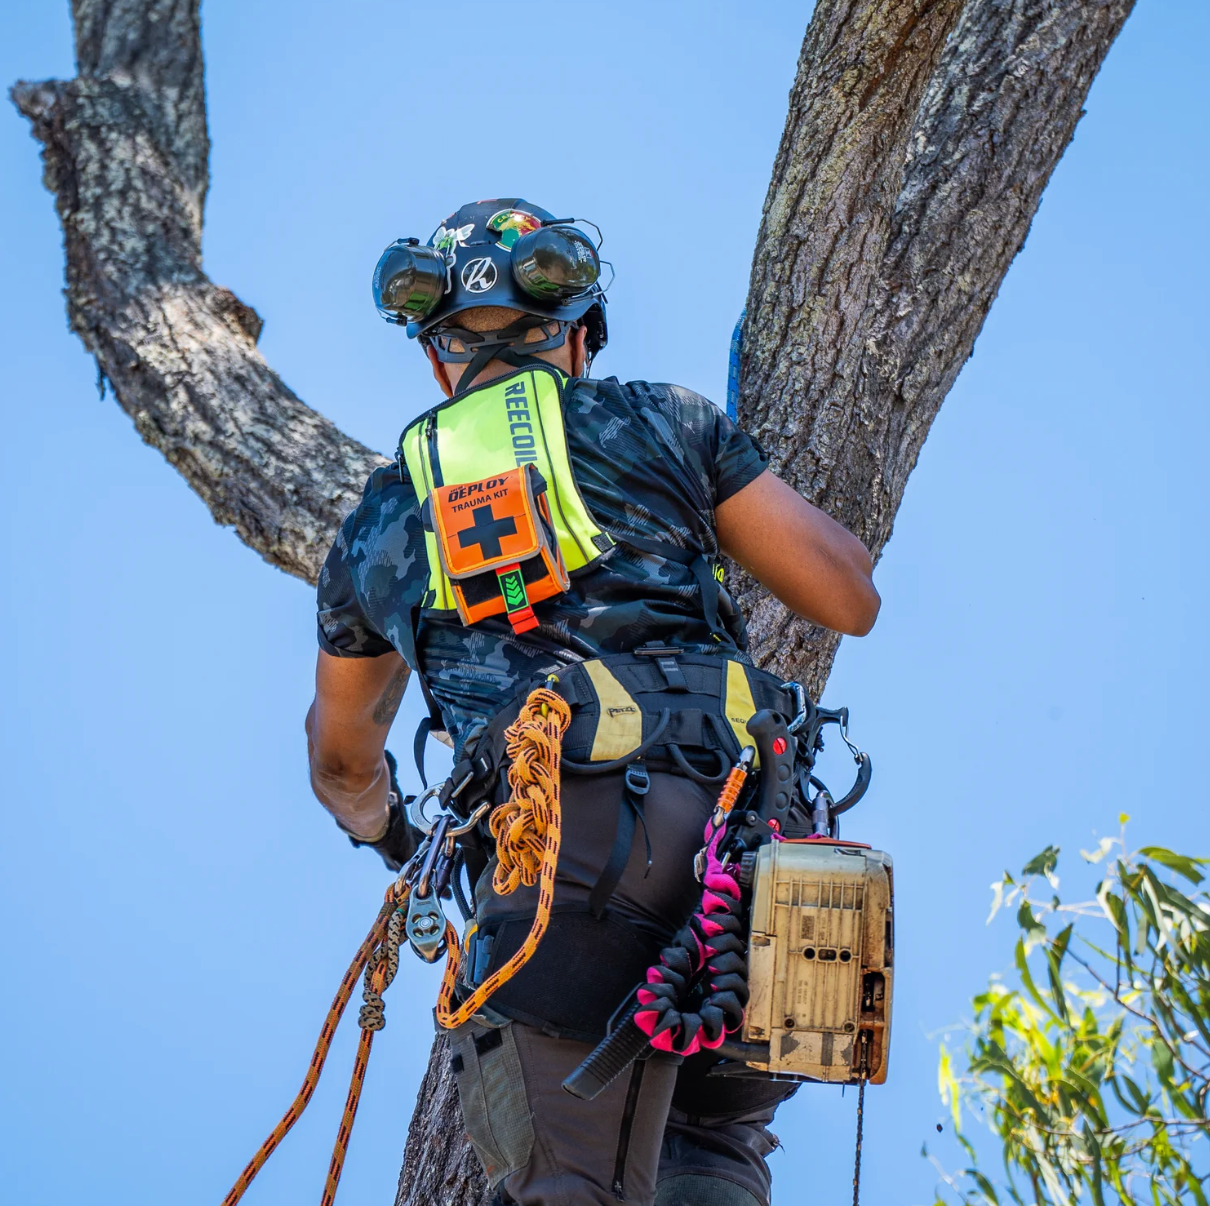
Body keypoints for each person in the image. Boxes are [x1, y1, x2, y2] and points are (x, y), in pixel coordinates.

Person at [306, 199, 880, 1206]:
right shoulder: (667, 421)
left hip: (560, 864)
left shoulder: (386, 521)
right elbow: (849, 597)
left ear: (438, 362)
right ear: (580, 336)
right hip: (755, 853)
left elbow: (342, 762)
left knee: (569, 1185)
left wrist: (390, 834)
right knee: (713, 1166)